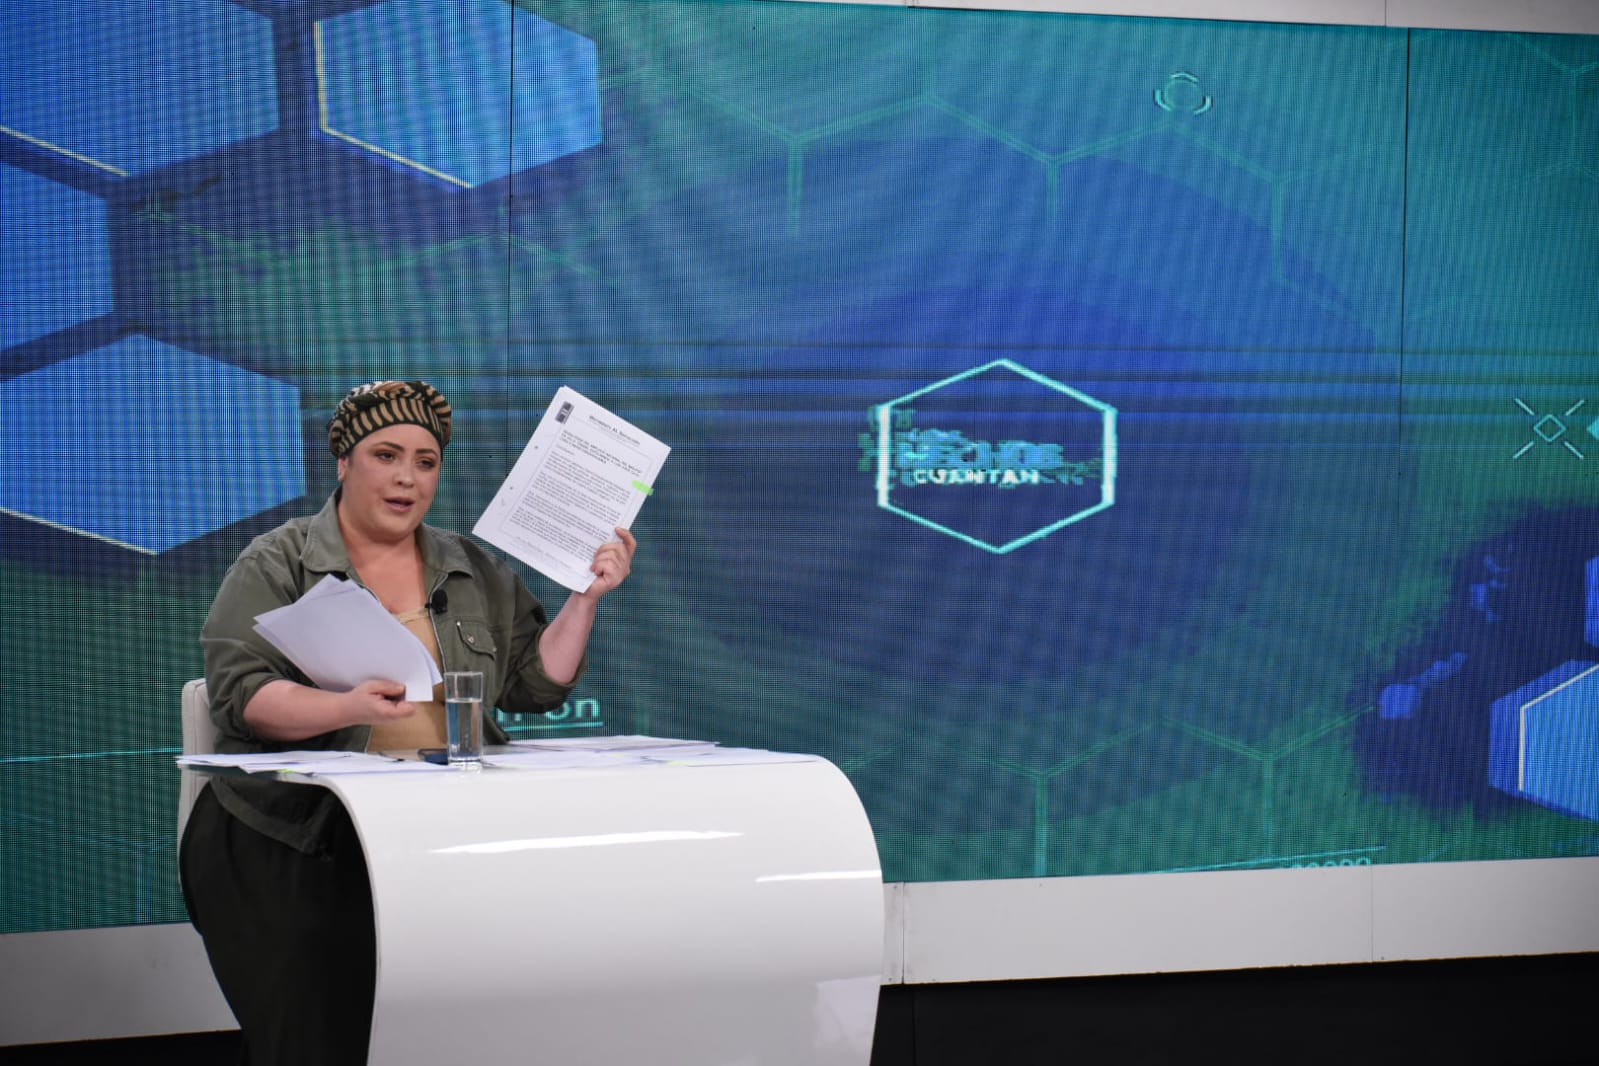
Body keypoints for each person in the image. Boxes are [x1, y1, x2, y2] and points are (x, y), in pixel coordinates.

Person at [179, 379, 636, 1064]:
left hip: (439, 834)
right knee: (322, 1040)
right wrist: (347, 706)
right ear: (344, 463)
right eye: (386, 456)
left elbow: (534, 684)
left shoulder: (471, 566)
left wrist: (585, 598)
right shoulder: (278, 559)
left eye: (426, 462)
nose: (407, 478)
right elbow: (242, 697)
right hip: (298, 837)